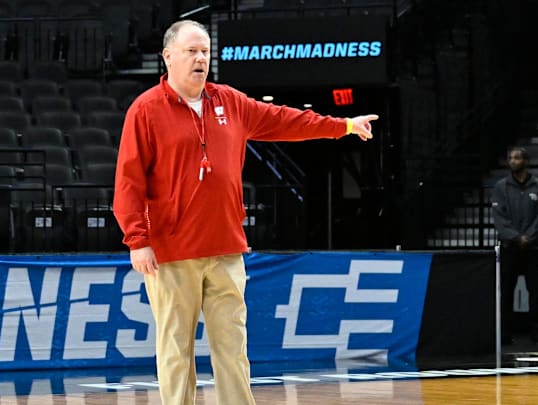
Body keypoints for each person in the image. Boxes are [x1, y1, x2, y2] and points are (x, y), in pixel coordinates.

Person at [113, 19, 378, 404]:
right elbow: (128, 182)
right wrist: (137, 240)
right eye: (191, 51)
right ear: (168, 56)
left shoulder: (229, 102)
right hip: (171, 253)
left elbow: (287, 121)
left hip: (225, 249)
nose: (200, 58)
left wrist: (343, 126)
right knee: (175, 351)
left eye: (205, 51)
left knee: (233, 349)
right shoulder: (145, 111)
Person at [491, 146, 538, 345]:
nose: (512, 161)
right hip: (510, 247)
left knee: (534, 291)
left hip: (533, 249)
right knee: (506, 292)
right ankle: (504, 334)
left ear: (526, 161)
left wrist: (529, 238)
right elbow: (499, 218)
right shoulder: (501, 187)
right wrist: (517, 237)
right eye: (510, 158)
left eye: (517, 158)